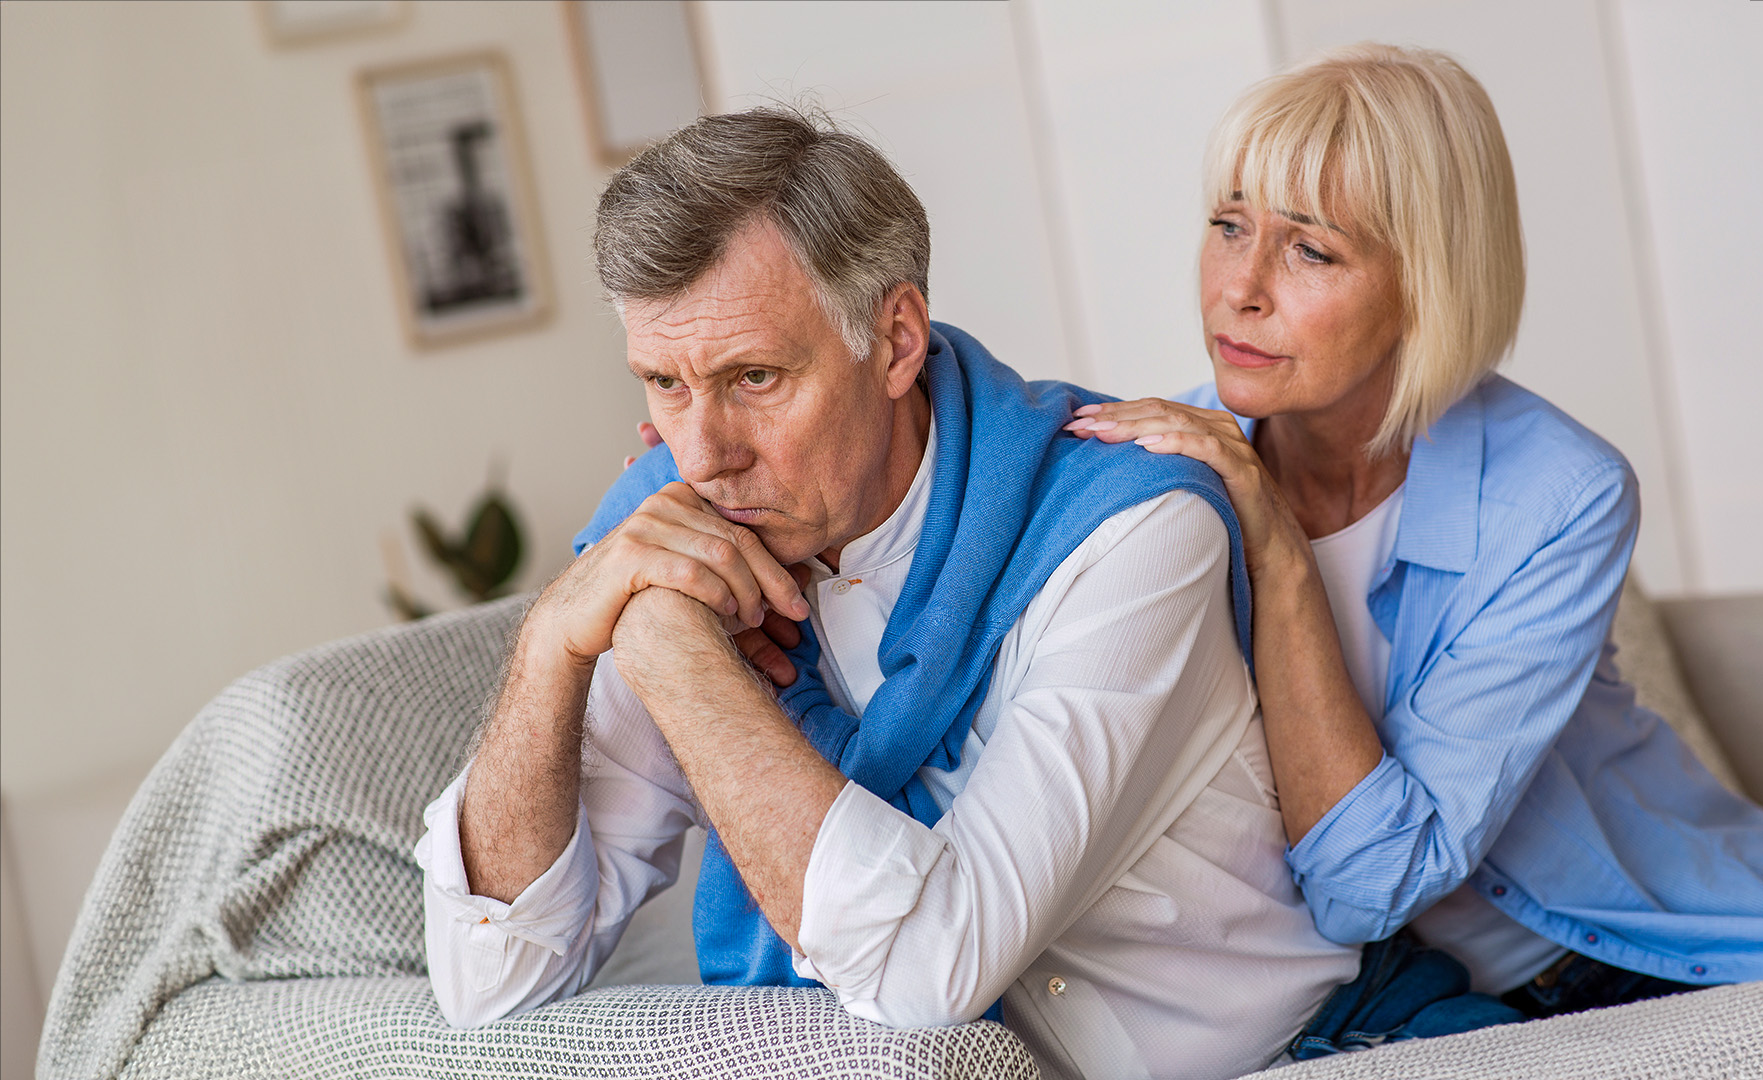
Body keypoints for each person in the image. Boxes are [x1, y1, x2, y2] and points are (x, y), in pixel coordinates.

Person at [416, 106, 1371, 1080]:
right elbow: (490, 978)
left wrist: (665, 646)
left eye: (754, 377)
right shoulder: (668, 535)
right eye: (665, 383)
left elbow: (928, 970)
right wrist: (549, 646)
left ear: (898, 341)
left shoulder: (1129, 534)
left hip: (1265, 1060)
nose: (705, 457)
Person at [1065, 42, 1763, 1026]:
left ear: (1425, 283)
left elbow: (1368, 885)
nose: (1240, 287)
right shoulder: (1161, 466)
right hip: (1399, 994)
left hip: (1675, 946)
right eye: (1227, 226)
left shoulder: (1562, 497)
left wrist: (1281, 553)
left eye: (1310, 249)